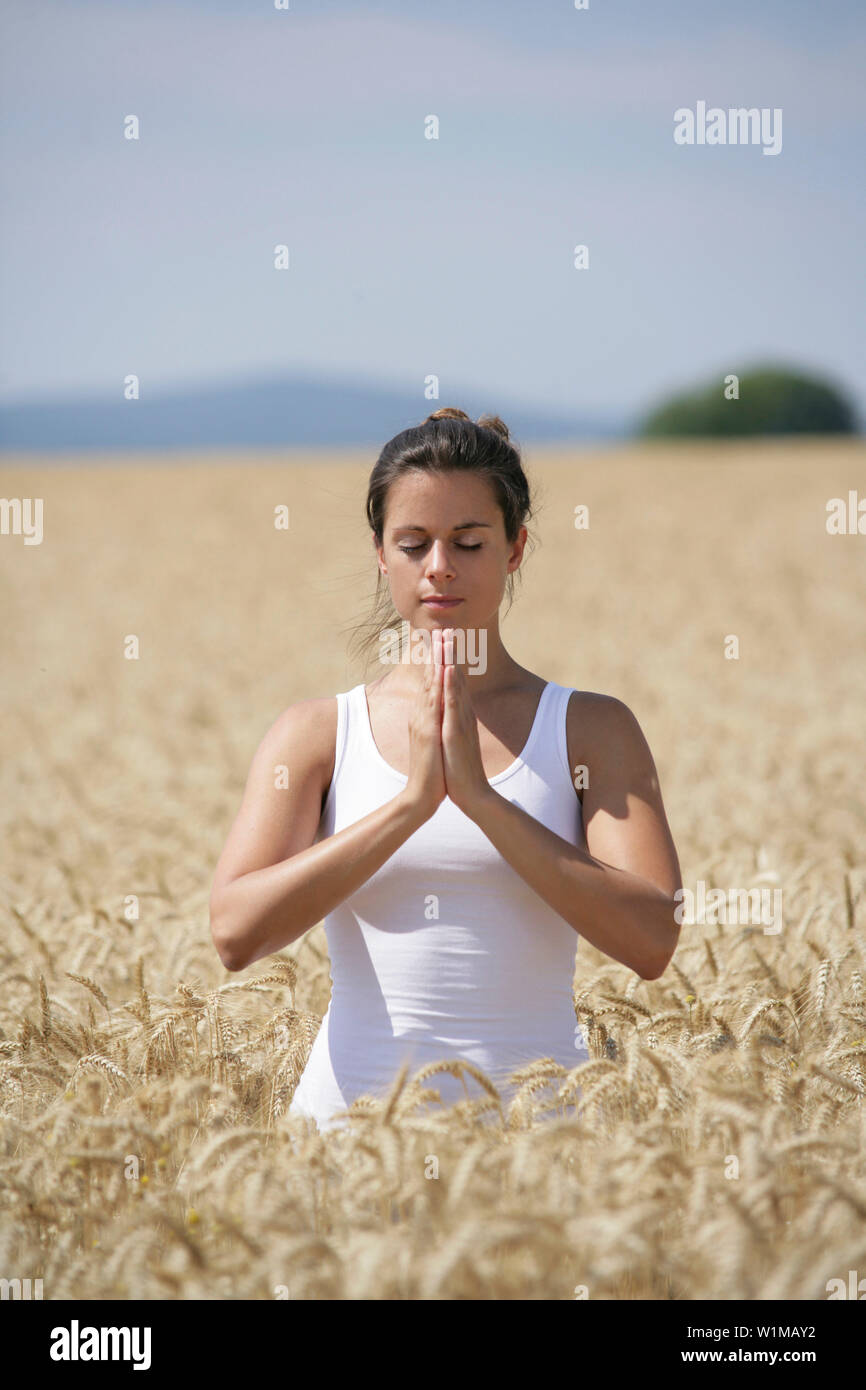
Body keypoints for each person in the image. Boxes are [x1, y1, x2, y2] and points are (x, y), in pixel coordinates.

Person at [208, 408, 683, 1133]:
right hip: (346, 1151)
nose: (439, 568)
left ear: (516, 548)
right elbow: (235, 934)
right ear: (379, 553)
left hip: (543, 1156)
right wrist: (409, 807)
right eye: (413, 544)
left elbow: (652, 940)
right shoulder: (315, 735)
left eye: (469, 542)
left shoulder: (591, 728)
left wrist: (486, 802)